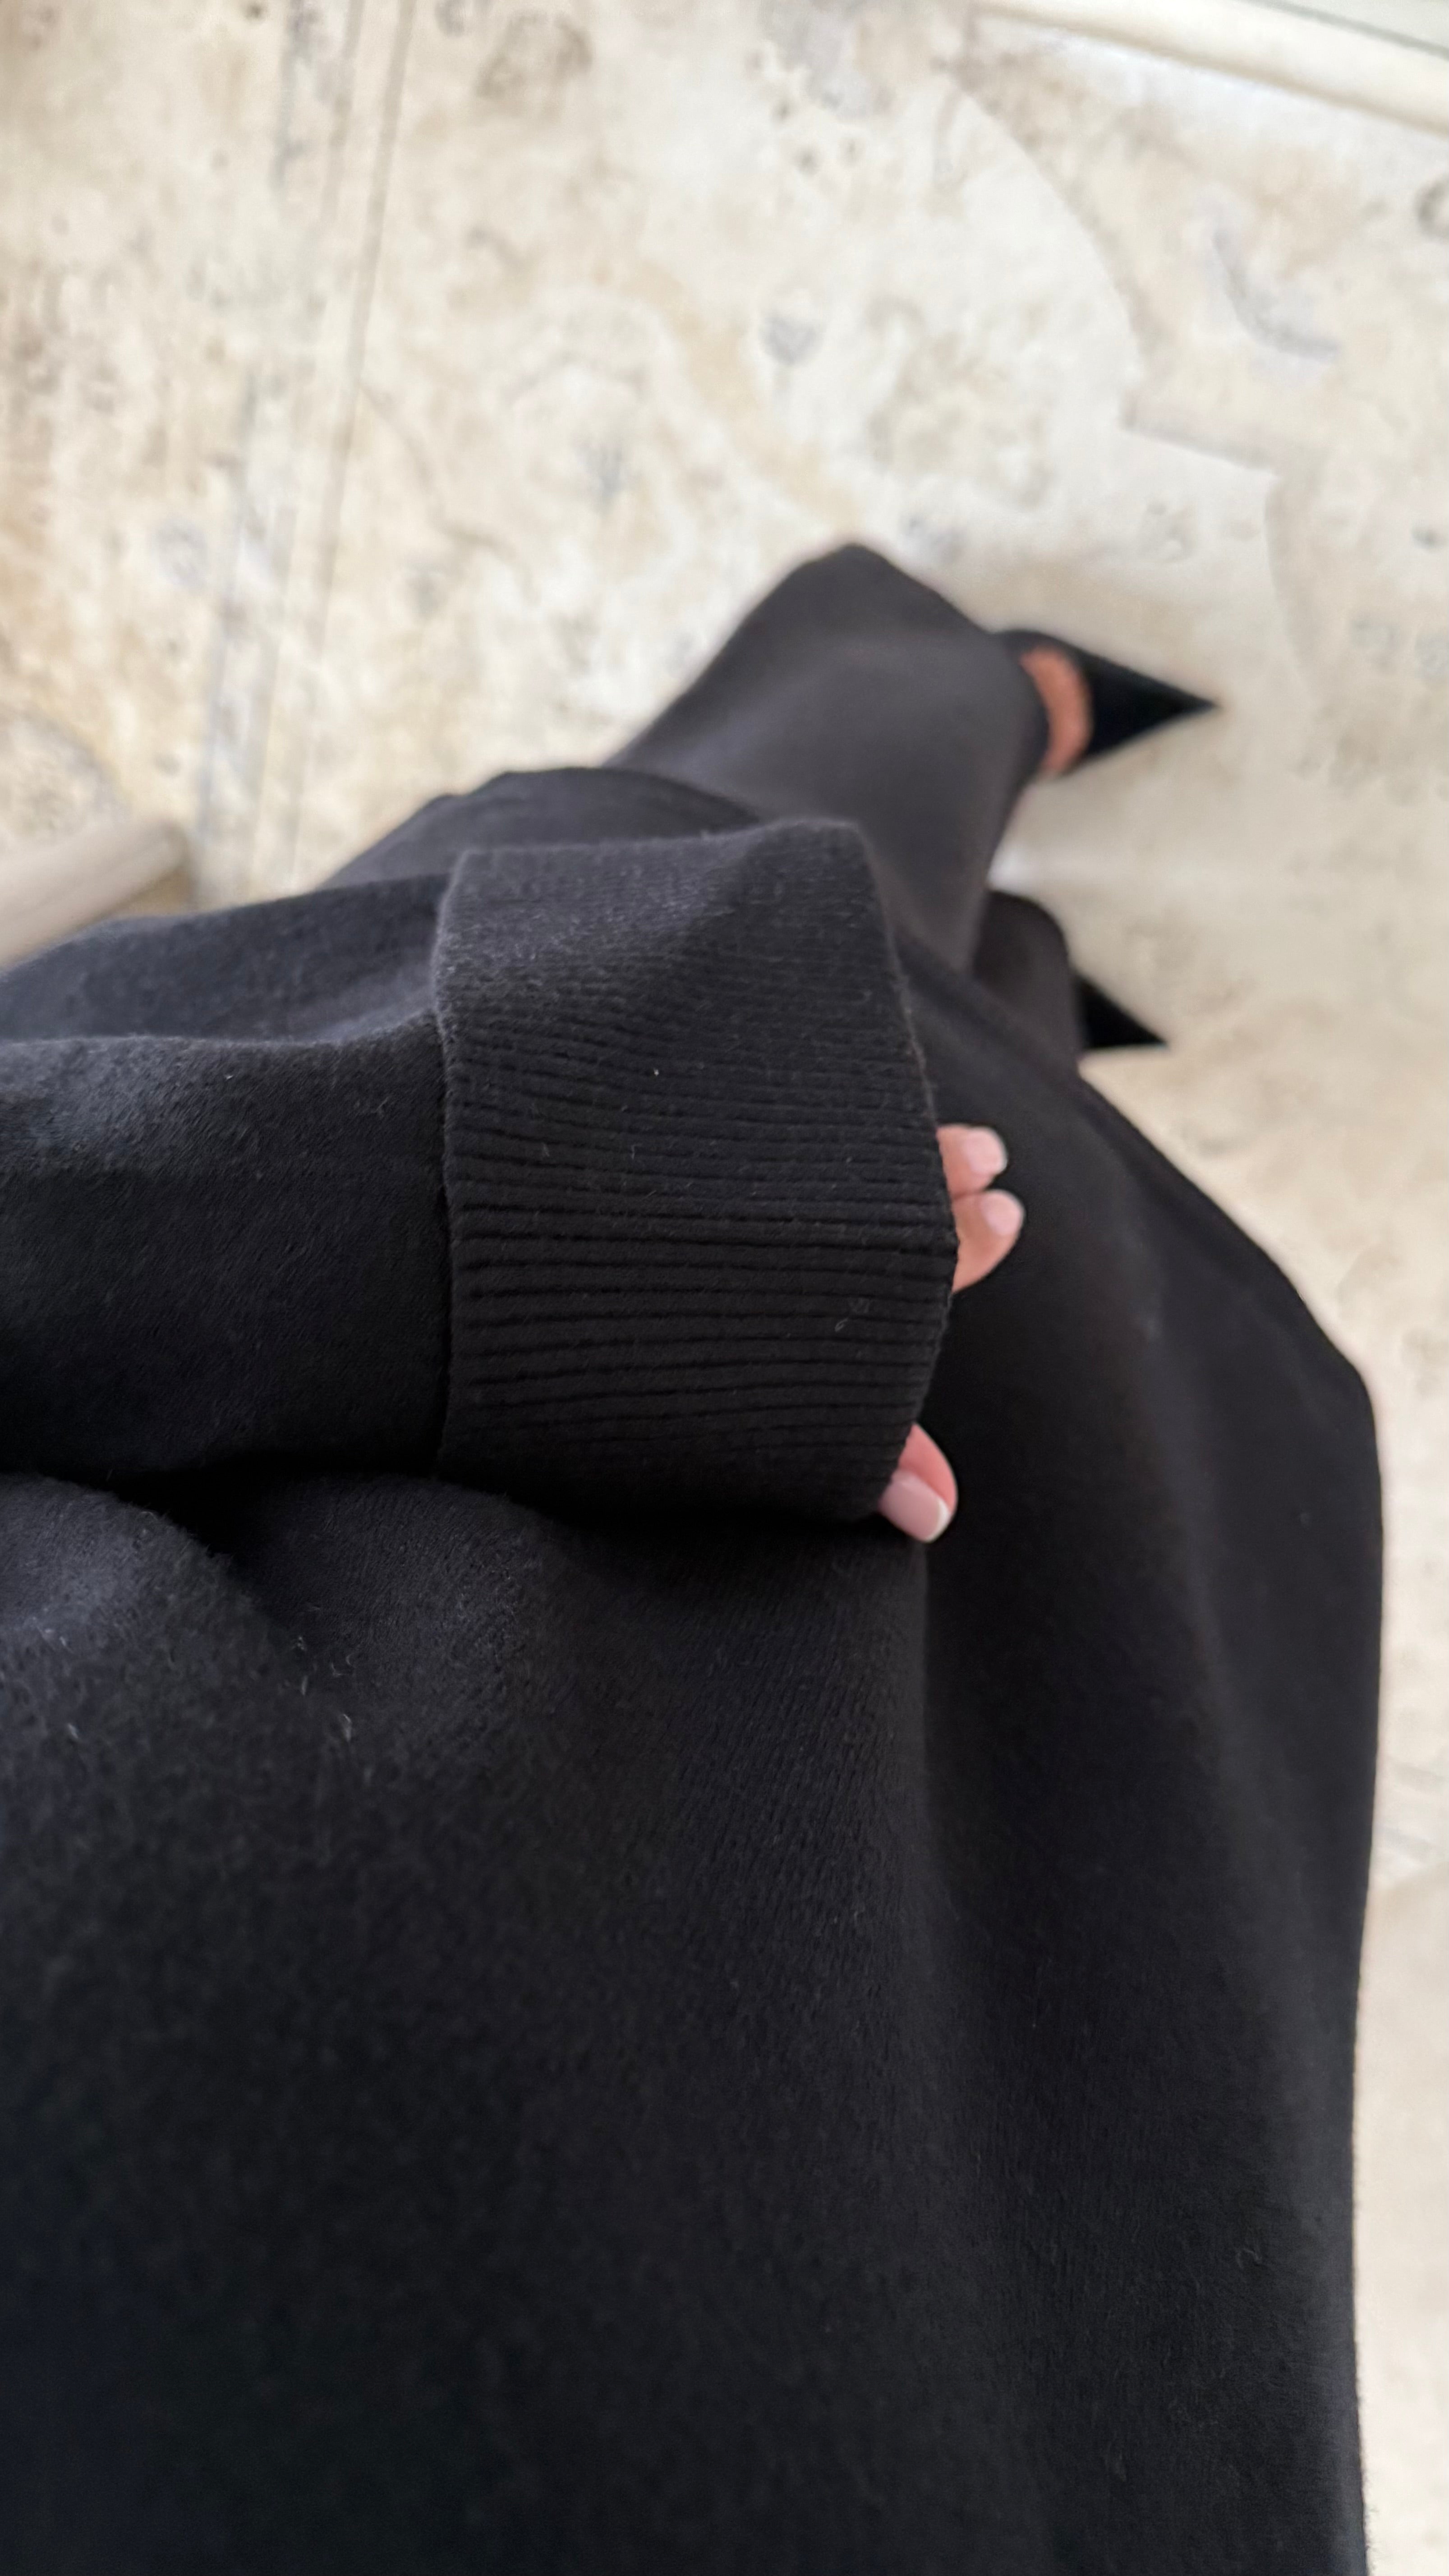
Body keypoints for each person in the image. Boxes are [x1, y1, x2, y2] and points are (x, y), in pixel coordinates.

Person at [0, 544, 1378, 2575]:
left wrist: (453, 1228)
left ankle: (972, 694)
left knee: (810, 923)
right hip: (983, 2228)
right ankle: (1018, 973)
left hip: (377, 1494)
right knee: (1054, 1321)